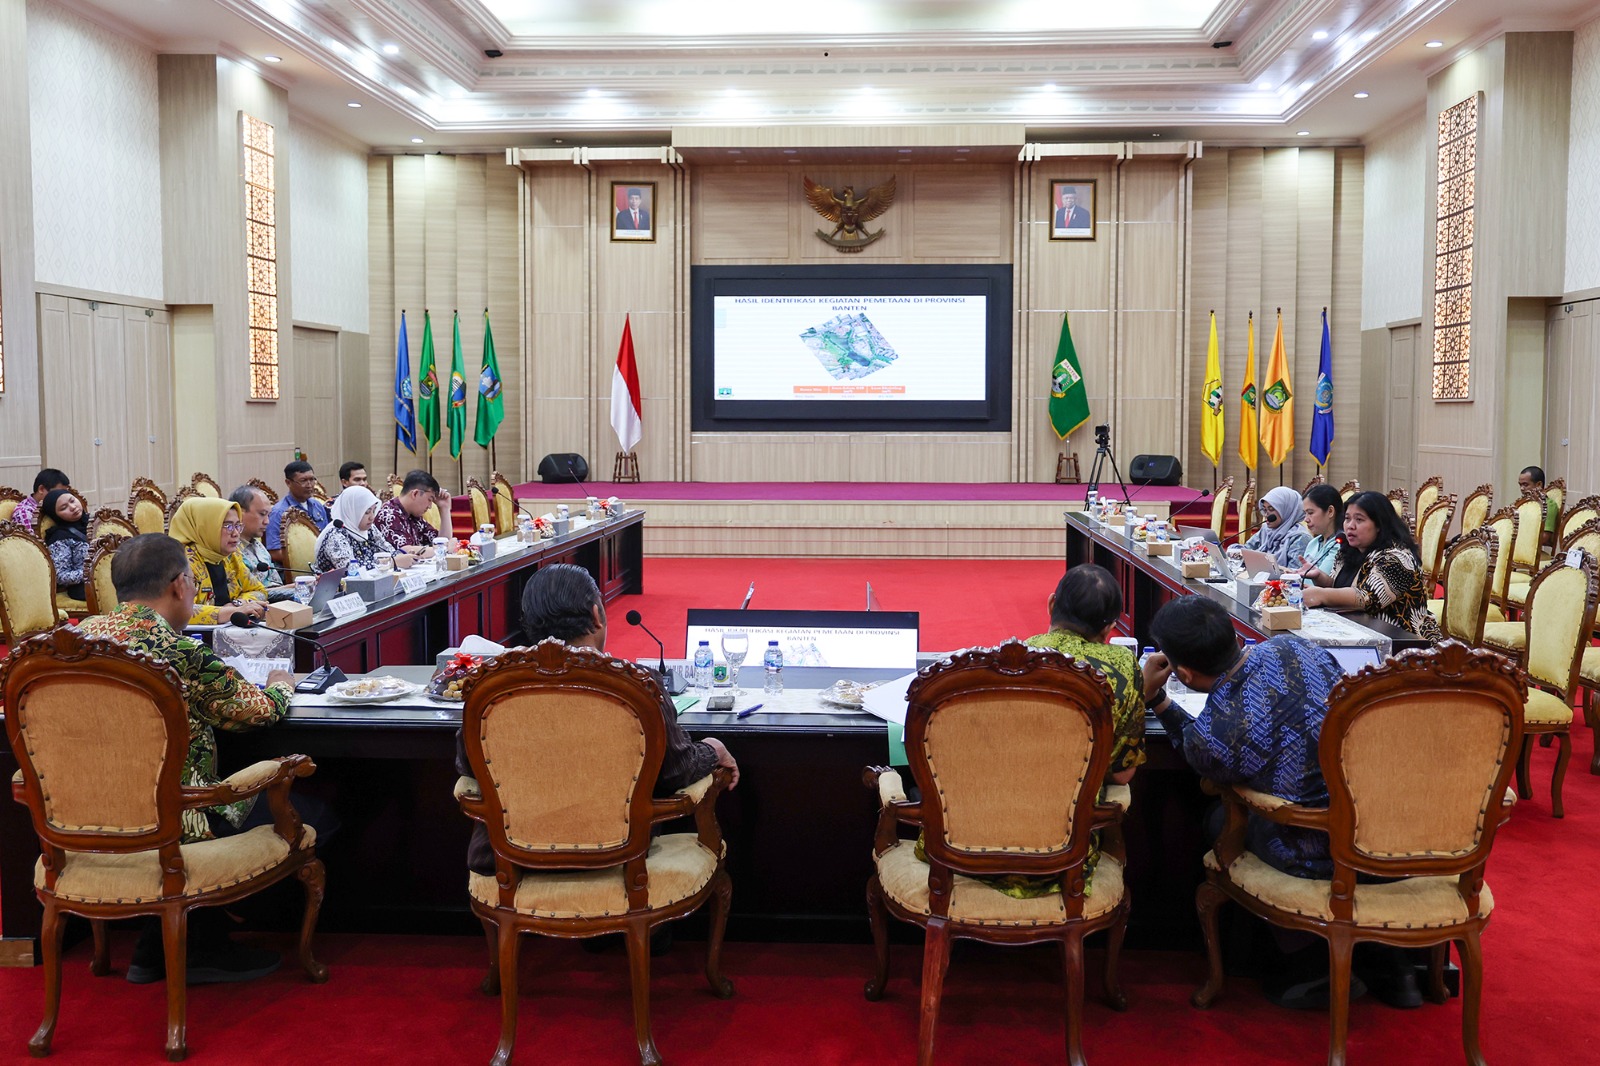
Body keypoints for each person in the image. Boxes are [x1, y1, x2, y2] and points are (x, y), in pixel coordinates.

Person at [1142, 596, 1420, 1010]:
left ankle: (1311, 966)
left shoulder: (1216, 736)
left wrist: (1156, 699)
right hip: (1378, 823)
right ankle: (1392, 963)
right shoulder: (1294, 646)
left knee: (1221, 819)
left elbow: (1197, 750)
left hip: (1316, 846)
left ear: (1183, 673)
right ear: (1234, 635)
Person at [77, 533, 304, 983]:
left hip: (90, 818)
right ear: (181, 585)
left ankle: (152, 945)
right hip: (179, 817)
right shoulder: (177, 651)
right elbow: (259, 712)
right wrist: (282, 683)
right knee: (317, 811)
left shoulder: (76, 640)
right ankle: (203, 942)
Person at [455, 563, 738, 878]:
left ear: (528, 623)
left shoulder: (491, 688)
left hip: (512, 861)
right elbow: (676, 772)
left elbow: (470, 765)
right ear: (597, 615)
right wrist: (713, 748)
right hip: (618, 860)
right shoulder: (638, 685)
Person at [923, 564, 1145, 898]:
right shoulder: (1124, 669)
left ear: (1052, 604)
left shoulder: (1003, 662)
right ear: (1110, 628)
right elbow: (1123, 775)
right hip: (1065, 855)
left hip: (973, 848)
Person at [1301, 490, 1443, 640]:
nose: (1350, 526)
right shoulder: (1349, 550)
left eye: (1359, 520)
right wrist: (1319, 577)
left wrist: (1321, 595)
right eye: (1347, 519)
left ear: (1379, 525)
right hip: (1359, 634)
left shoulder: (1397, 558)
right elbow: (1339, 587)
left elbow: (1366, 598)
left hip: (1405, 643)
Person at [169, 497, 268, 626]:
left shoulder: (231, 556)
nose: (236, 533)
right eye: (228, 526)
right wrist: (229, 612)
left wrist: (237, 604)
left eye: (238, 525)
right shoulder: (179, 562)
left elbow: (259, 590)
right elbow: (177, 609)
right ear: (204, 527)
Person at [313, 485, 402, 573]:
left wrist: (406, 556)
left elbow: (388, 550)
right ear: (351, 511)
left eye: (373, 511)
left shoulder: (369, 528)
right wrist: (391, 563)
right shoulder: (335, 535)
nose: (372, 517)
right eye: (366, 512)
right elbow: (351, 570)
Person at [265, 460, 330, 567]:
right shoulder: (279, 512)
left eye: (312, 480)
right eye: (303, 481)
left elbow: (327, 538)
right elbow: (274, 552)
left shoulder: (317, 505)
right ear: (288, 483)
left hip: (323, 565)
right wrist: (305, 557)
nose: (309, 485)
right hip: (298, 570)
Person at [372, 469, 443, 555]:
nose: (430, 506)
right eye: (429, 499)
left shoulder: (413, 515)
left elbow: (440, 540)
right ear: (415, 494)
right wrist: (443, 549)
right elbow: (405, 551)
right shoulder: (389, 514)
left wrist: (444, 508)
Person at [1243, 485, 1311, 569]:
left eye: (1271, 509)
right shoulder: (1266, 530)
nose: (1267, 515)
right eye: (1264, 509)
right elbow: (1246, 549)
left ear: (1286, 510)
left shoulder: (1300, 538)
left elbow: (1295, 574)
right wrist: (1236, 552)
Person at [40, 488, 90, 600]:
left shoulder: (93, 521)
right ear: (55, 515)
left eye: (72, 501)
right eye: (64, 508)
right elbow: (61, 576)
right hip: (85, 587)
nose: (72, 507)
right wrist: (91, 572)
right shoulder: (59, 537)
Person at [230, 484, 280, 586]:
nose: (267, 522)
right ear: (240, 512)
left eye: (268, 515)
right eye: (262, 514)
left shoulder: (258, 545)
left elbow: (276, 583)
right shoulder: (229, 549)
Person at [1292, 483, 1344, 577]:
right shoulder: (1313, 543)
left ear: (1330, 511)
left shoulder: (1340, 544)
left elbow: (1323, 580)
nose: (1306, 519)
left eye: (1310, 513)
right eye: (1305, 514)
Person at [11, 468, 70, 533]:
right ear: (41, 489)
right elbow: (31, 541)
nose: (61, 496)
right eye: (58, 493)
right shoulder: (24, 513)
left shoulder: (58, 506)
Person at [1517, 464, 1559, 547]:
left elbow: (1544, 537)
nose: (1522, 488)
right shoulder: (1523, 503)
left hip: (1529, 549)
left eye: (1525, 485)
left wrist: (1517, 538)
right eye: (1520, 485)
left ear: (1539, 485)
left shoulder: (1548, 506)